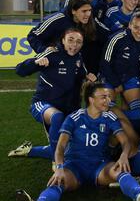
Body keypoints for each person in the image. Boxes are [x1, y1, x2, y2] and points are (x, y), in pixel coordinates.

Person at [14, 82, 140, 201]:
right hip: (75, 166)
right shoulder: (74, 118)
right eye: (103, 97)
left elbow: (125, 142)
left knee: (120, 170)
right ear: (91, 99)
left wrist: (123, 155)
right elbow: (59, 148)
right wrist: (59, 168)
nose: (108, 100)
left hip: (100, 165)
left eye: (108, 96)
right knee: (58, 180)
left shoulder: (109, 117)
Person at [9, 28, 96, 161]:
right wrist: (36, 62)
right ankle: (57, 162)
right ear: (63, 40)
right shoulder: (51, 52)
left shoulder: (79, 59)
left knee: (74, 149)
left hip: (68, 109)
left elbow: (82, 79)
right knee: (57, 117)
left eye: (79, 42)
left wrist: (89, 79)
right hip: (43, 104)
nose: (74, 45)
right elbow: (20, 70)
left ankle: (29, 150)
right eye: (70, 40)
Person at [99, 11, 140, 110]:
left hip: (129, 78)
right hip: (110, 76)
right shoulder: (117, 38)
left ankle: (126, 116)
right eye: (136, 27)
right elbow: (104, 64)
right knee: (107, 108)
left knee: (137, 109)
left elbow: (139, 67)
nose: (139, 32)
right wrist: (116, 83)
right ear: (130, 26)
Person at [28, 0, 96, 54]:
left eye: (89, 10)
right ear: (73, 11)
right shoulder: (57, 20)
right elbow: (33, 35)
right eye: (84, 11)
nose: (88, 14)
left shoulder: (89, 21)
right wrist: (44, 50)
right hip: (53, 63)